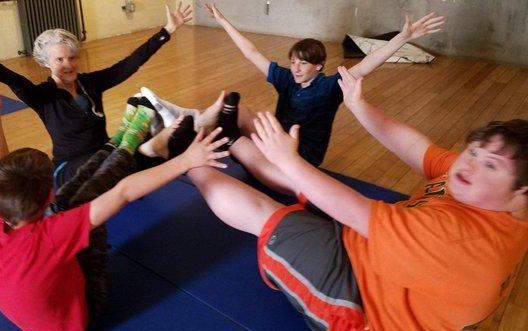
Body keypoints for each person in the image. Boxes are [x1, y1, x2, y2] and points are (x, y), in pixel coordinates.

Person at [182, 66, 528, 331]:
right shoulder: (482, 187)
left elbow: (357, 211)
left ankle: (185, 157)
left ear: (522, 192)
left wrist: (290, 159)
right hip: (383, 258)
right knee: (298, 179)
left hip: (369, 319)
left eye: (491, 165)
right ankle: (229, 138)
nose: (469, 163)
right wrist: (359, 105)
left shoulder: (462, 240)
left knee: (273, 216)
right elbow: (413, 145)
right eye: (472, 151)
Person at [0, 76, 229, 331]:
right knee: (89, 201)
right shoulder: (47, 237)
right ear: (47, 196)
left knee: (70, 203)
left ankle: (119, 144)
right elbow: (122, 193)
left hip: (39, 302)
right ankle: (126, 146)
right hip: (75, 323)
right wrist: (185, 161)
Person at [145, 3, 442, 197]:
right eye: (294, 63)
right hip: (277, 140)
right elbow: (251, 52)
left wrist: (401, 38)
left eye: (303, 64)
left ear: (319, 66)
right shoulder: (287, 77)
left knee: (240, 142)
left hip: (301, 156)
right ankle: (182, 127)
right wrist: (223, 20)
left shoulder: (330, 87)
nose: (296, 69)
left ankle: (208, 137)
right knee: (242, 111)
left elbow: (367, 65)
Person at [0, 2, 192, 186]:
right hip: (70, 169)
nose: (68, 64)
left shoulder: (90, 83)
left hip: (107, 153)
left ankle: (151, 145)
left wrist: (166, 32)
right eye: (59, 59)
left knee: (141, 117)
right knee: (136, 155)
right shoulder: (42, 96)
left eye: (72, 57)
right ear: (45, 62)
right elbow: (12, 78)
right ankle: (147, 148)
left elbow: (128, 65)